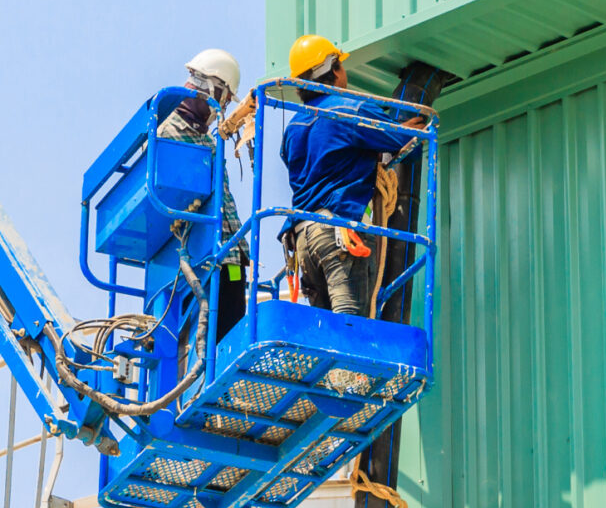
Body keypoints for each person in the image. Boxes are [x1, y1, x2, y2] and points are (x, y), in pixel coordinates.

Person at [279, 35, 426, 318]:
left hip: (304, 239)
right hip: (338, 232)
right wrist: (409, 131)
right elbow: (405, 144)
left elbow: (325, 157)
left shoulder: (293, 129)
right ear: (333, 69)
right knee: (351, 325)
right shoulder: (349, 109)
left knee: (326, 331)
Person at [156, 48, 251, 334]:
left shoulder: (205, 139)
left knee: (229, 331)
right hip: (201, 257)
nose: (222, 106)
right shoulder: (168, 133)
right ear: (210, 88)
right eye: (224, 98)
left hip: (227, 256)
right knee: (210, 339)